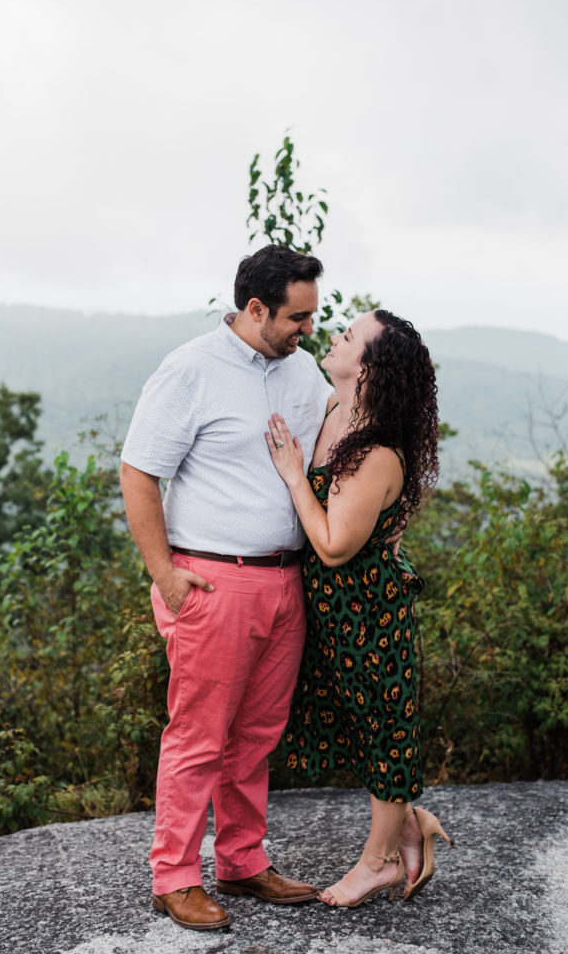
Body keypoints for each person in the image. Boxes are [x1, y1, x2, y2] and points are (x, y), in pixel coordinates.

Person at [119, 245, 334, 931]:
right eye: (297, 317)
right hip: (211, 582)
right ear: (254, 308)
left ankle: (242, 863)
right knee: (198, 736)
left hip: (284, 580)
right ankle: (174, 877)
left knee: (257, 736)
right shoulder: (190, 369)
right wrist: (165, 576)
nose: (308, 330)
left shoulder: (303, 373)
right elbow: (137, 471)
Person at [264, 308, 453, 908]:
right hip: (330, 615)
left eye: (349, 336)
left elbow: (334, 545)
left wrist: (295, 475)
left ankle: (378, 863)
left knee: (383, 733)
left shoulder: (374, 452)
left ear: (369, 371)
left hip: (368, 616)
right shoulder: (333, 410)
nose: (336, 336)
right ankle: (407, 824)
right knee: (354, 727)